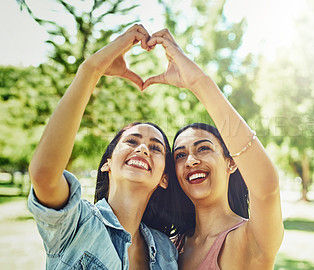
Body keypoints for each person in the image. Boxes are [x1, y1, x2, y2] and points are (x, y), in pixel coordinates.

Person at [28, 24, 178, 269]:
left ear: (164, 178)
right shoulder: (77, 223)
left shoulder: (167, 251)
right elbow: (44, 175)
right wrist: (91, 69)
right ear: (107, 162)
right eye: (131, 141)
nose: (142, 149)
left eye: (156, 148)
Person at [142, 29, 284, 269]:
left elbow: (266, 187)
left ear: (231, 162)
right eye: (180, 155)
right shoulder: (167, 248)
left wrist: (198, 83)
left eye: (204, 148)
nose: (191, 160)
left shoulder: (249, 239)